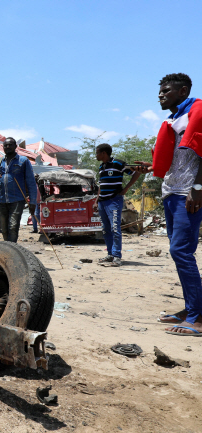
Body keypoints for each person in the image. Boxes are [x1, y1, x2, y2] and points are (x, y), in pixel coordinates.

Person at [133, 73, 202, 335]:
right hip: (171, 192)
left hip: (188, 194)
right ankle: (192, 308)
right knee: (180, 253)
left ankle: (197, 317)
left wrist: (197, 188)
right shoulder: (175, 118)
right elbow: (180, 156)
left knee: (181, 252)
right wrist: (151, 166)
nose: (160, 95)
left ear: (183, 91)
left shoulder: (197, 112)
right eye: (160, 91)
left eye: (166, 91)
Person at [92, 143, 141, 266]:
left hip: (114, 200)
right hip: (103, 202)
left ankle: (117, 257)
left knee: (115, 228)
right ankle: (110, 254)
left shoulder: (118, 164)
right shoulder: (101, 167)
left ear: (104, 153)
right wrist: (96, 200)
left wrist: (126, 189)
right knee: (106, 229)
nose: (96, 155)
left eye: (97, 153)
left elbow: (137, 172)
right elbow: (101, 185)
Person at [0, 137, 37, 243]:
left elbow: (31, 182)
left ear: (16, 146)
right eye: (5, 145)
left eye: (10, 145)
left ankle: (12, 248)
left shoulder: (23, 161)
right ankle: (9, 248)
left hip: (17, 200)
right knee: (4, 229)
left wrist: (33, 202)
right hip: (2, 200)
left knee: (13, 226)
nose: (7, 147)